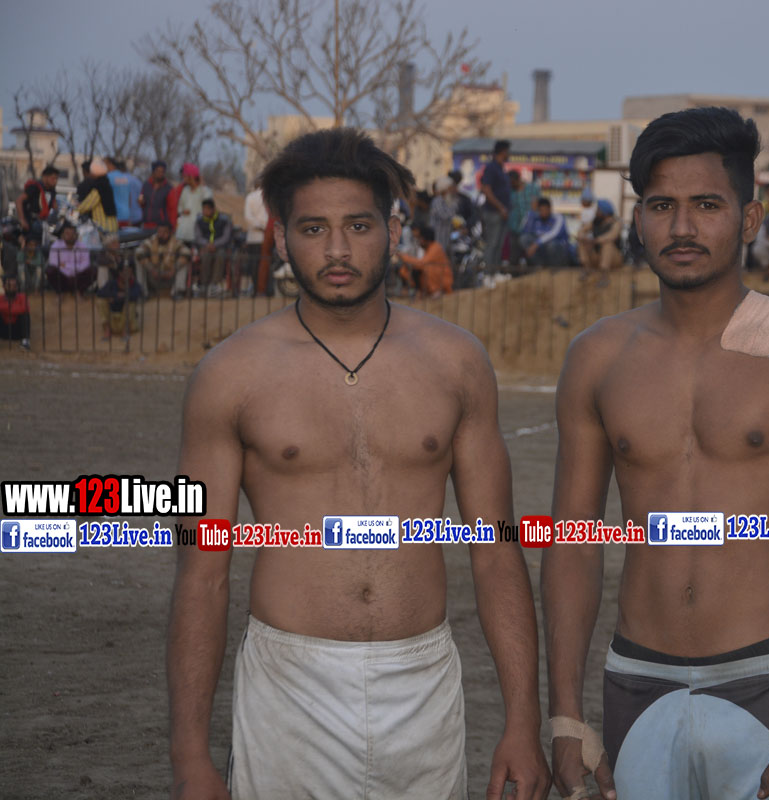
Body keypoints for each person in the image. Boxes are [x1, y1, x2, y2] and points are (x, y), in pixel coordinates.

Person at [167, 127, 548, 800]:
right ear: (282, 237)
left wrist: (524, 721)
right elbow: (202, 571)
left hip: (422, 678)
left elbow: (495, 551)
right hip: (288, 686)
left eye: (359, 226)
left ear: (393, 230)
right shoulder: (229, 375)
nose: (337, 250)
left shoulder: (456, 362)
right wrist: (189, 755)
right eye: (313, 229)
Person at [542, 106, 769, 800]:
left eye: (706, 205)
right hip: (635, 680)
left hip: (767, 678)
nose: (682, 227)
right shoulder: (597, 356)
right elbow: (573, 541)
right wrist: (564, 712)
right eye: (661, 206)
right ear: (639, 220)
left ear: (749, 219)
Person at [478, 140, 512, 271]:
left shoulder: (500, 168)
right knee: (492, 244)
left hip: (502, 213)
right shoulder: (491, 168)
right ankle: (487, 274)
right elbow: (487, 190)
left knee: (499, 245)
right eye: (507, 151)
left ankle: (494, 273)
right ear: (503, 152)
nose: (508, 154)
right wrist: (500, 207)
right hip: (493, 212)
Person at [397, 224, 455, 298]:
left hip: (443, 284)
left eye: (420, 238)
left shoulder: (435, 248)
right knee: (404, 269)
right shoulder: (427, 249)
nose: (418, 241)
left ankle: (435, 291)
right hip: (431, 283)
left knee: (426, 268)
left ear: (425, 239)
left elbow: (421, 264)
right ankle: (419, 291)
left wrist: (403, 257)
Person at [136, 222, 192, 297]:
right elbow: (139, 252)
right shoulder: (152, 240)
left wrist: (174, 269)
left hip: (170, 276)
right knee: (138, 259)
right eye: (159, 232)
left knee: (185, 262)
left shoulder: (176, 241)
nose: (161, 234)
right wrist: (151, 269)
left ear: (170, 233)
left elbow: (187, 252)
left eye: (165, 232)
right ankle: (142, 292)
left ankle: (178, 292)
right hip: (154, 276)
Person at [194, 198, 233, 297]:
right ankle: (204, 284)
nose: (205, 211)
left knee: (220, 255)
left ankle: (215, 284)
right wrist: (207, 244)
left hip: (220, 247)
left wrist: (215, 244)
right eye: (204, 209)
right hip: (205, 247)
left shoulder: (224, 220)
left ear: (213, 209)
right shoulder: (199, 221)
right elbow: (198, 237)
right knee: (205, 256)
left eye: (207, 209)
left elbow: (226, 236)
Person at [96, 261, 143, 342]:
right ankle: (107, 331)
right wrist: (116, 295)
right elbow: (99, 293)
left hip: (128, 323)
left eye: (129, 271)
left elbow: (135, 295)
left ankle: (125, 332)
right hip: (112, 321)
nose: (126, 274)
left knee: (131, 303)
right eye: (124, 271)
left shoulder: (135, 285)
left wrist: (116, 298)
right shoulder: (112, 283)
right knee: (100, 301)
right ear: (119, 273)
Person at [577, 199, 623, 277]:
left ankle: (604, 275)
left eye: (598, 210)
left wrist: (595, 241)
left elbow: (611, 236)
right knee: (582, 242)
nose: (596, 212)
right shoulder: (595, 222)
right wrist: (583, 237)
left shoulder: (616, 223)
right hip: (598, 257)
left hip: (613, 259)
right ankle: (586, 268)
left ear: (604, 211)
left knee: (607, 244)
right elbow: (581, 230)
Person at [46, 222, 96, 294]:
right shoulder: (56, 246)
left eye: (73, 233)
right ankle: (61, 293)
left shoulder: (82, 246)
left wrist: (66, 265)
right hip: (62, 278)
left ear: (76, 235)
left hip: (78, 277)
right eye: (67, 233)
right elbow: (54, 264)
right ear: (62, 235)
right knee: (50, 270)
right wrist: (74, 267)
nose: (71, 236)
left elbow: (86, 264)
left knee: (93, 270)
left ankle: (78, 292)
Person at [520, 197, 570, 268]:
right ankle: (540, 266)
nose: (544, 212)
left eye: (546, 209)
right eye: (541, 210)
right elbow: (525, 231)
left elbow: (553, 234)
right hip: (543, 252)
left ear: (550, 209)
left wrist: (537, 244)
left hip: (559, 251)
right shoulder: (536, 218)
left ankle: (556, 268)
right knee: (524, 239)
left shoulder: (558, 217)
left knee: (552, 245)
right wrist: (532, 212)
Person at [16, 165, 59, 245]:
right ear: (45, 177)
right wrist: (22, 220)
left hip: (44, 224)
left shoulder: (52, 191)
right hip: (31, 223)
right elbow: (19, 201)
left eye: (56, 179)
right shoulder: (34, 187)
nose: (55, 181)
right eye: (53, 178)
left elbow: (54, 207)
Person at [175, 163, 214, 250]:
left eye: (185, 176)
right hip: (183, 232)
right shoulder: (185, 190)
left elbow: (208, 210)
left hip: (198, 233)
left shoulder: (205, 192)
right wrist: (182, 211)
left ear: (191, 176)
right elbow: (179, 207)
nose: (183, 179)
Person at [77, 160, 119, 234]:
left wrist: (76, 209)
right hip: (112, 225)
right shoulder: (106, 185)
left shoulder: (98, 188)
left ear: (95, 174)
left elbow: (86, 206)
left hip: (104, 227)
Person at [105, 157, 143, 228]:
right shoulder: (126, 178)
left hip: (114, 217)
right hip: (128, 215)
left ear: (110, 164)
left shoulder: (108, 177)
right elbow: (131, 198)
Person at [140, 160, 174, 231]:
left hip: (161, 227)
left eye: (162, 171)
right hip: (146, 224)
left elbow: (172, 209)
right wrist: (141, 202)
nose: (160, 174)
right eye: (158, 171)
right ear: (153, 172)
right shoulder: (146, 185)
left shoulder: (168, 188)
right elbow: (142, 201)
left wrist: (170, 226)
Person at [0, 274, 32, 350]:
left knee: (25, 314)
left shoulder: (22, 297)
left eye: (14, 285)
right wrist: (15, 308)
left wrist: (6, 308)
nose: (12, 287)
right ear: (4, 286)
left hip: (17, 331)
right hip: (3, 330)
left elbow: (24, 309)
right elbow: (20, 308)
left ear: (17, 287)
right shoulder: (0, 298)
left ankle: (25, 341)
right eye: (9, 285)